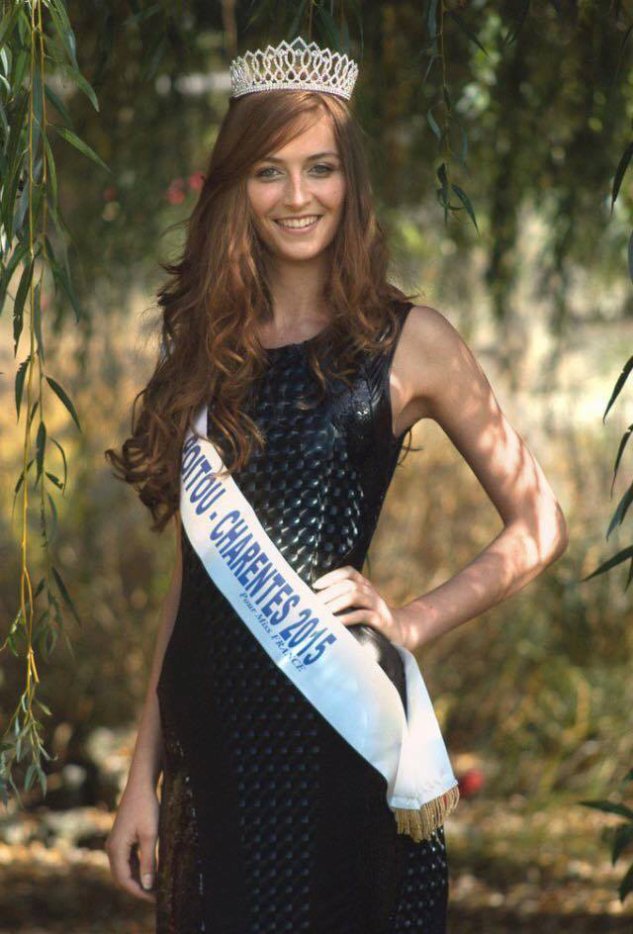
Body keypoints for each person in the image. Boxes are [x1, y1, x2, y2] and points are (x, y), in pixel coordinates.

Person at [104, 36, 568, 933]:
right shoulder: (204, 346)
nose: (296, 196)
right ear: (235, 186)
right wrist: (139, 778)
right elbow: (194, 580)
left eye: (319, 168)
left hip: (331, 726)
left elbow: (538, 522)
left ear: (349, 180)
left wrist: (413, 621)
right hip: (209, 742)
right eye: (268, 172)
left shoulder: (409, 341)